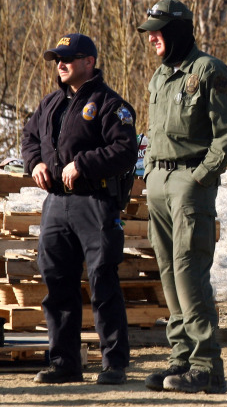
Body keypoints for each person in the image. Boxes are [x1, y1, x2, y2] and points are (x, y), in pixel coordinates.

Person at [137, 0, 227, 394]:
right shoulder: (161, 77)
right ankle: (180, 359)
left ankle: (206, 366)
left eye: (159, 30)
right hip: (159, 182)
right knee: (168, 272)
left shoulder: (208, 71)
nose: (152, 38)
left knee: (188, 272)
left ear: (179, 31)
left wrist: (201, 177)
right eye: (150, 31)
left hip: (189, 183)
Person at [21, 33, 138, 385]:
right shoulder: (50, 104)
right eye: (57, 58)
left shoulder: (109, 104)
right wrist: (35, 163)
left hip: (95, 202)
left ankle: (114, 364)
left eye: (68, 58)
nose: (61, 64)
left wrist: (83, 164)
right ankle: (64, 363)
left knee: (103, 282)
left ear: (89, 62)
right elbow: (29, 137)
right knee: (57, 284)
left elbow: (125, 149)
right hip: (56, 204)